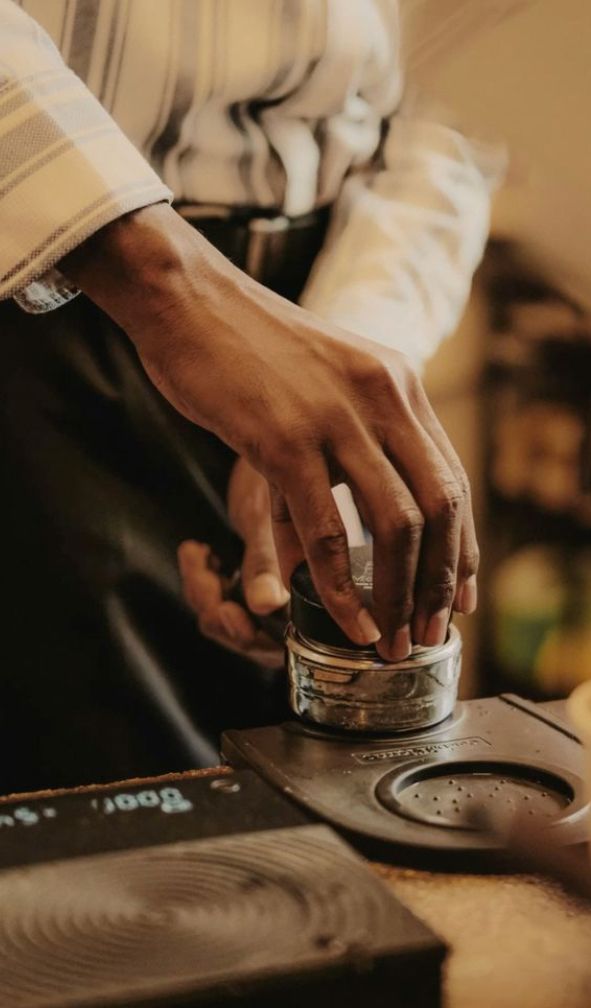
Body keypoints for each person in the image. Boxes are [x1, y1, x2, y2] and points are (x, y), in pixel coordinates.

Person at [0, 0, 494, 792]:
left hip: (313, 291)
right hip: (36, 285)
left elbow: (469, 82)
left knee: (294, 830)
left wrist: (350, 340)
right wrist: (165, 281)